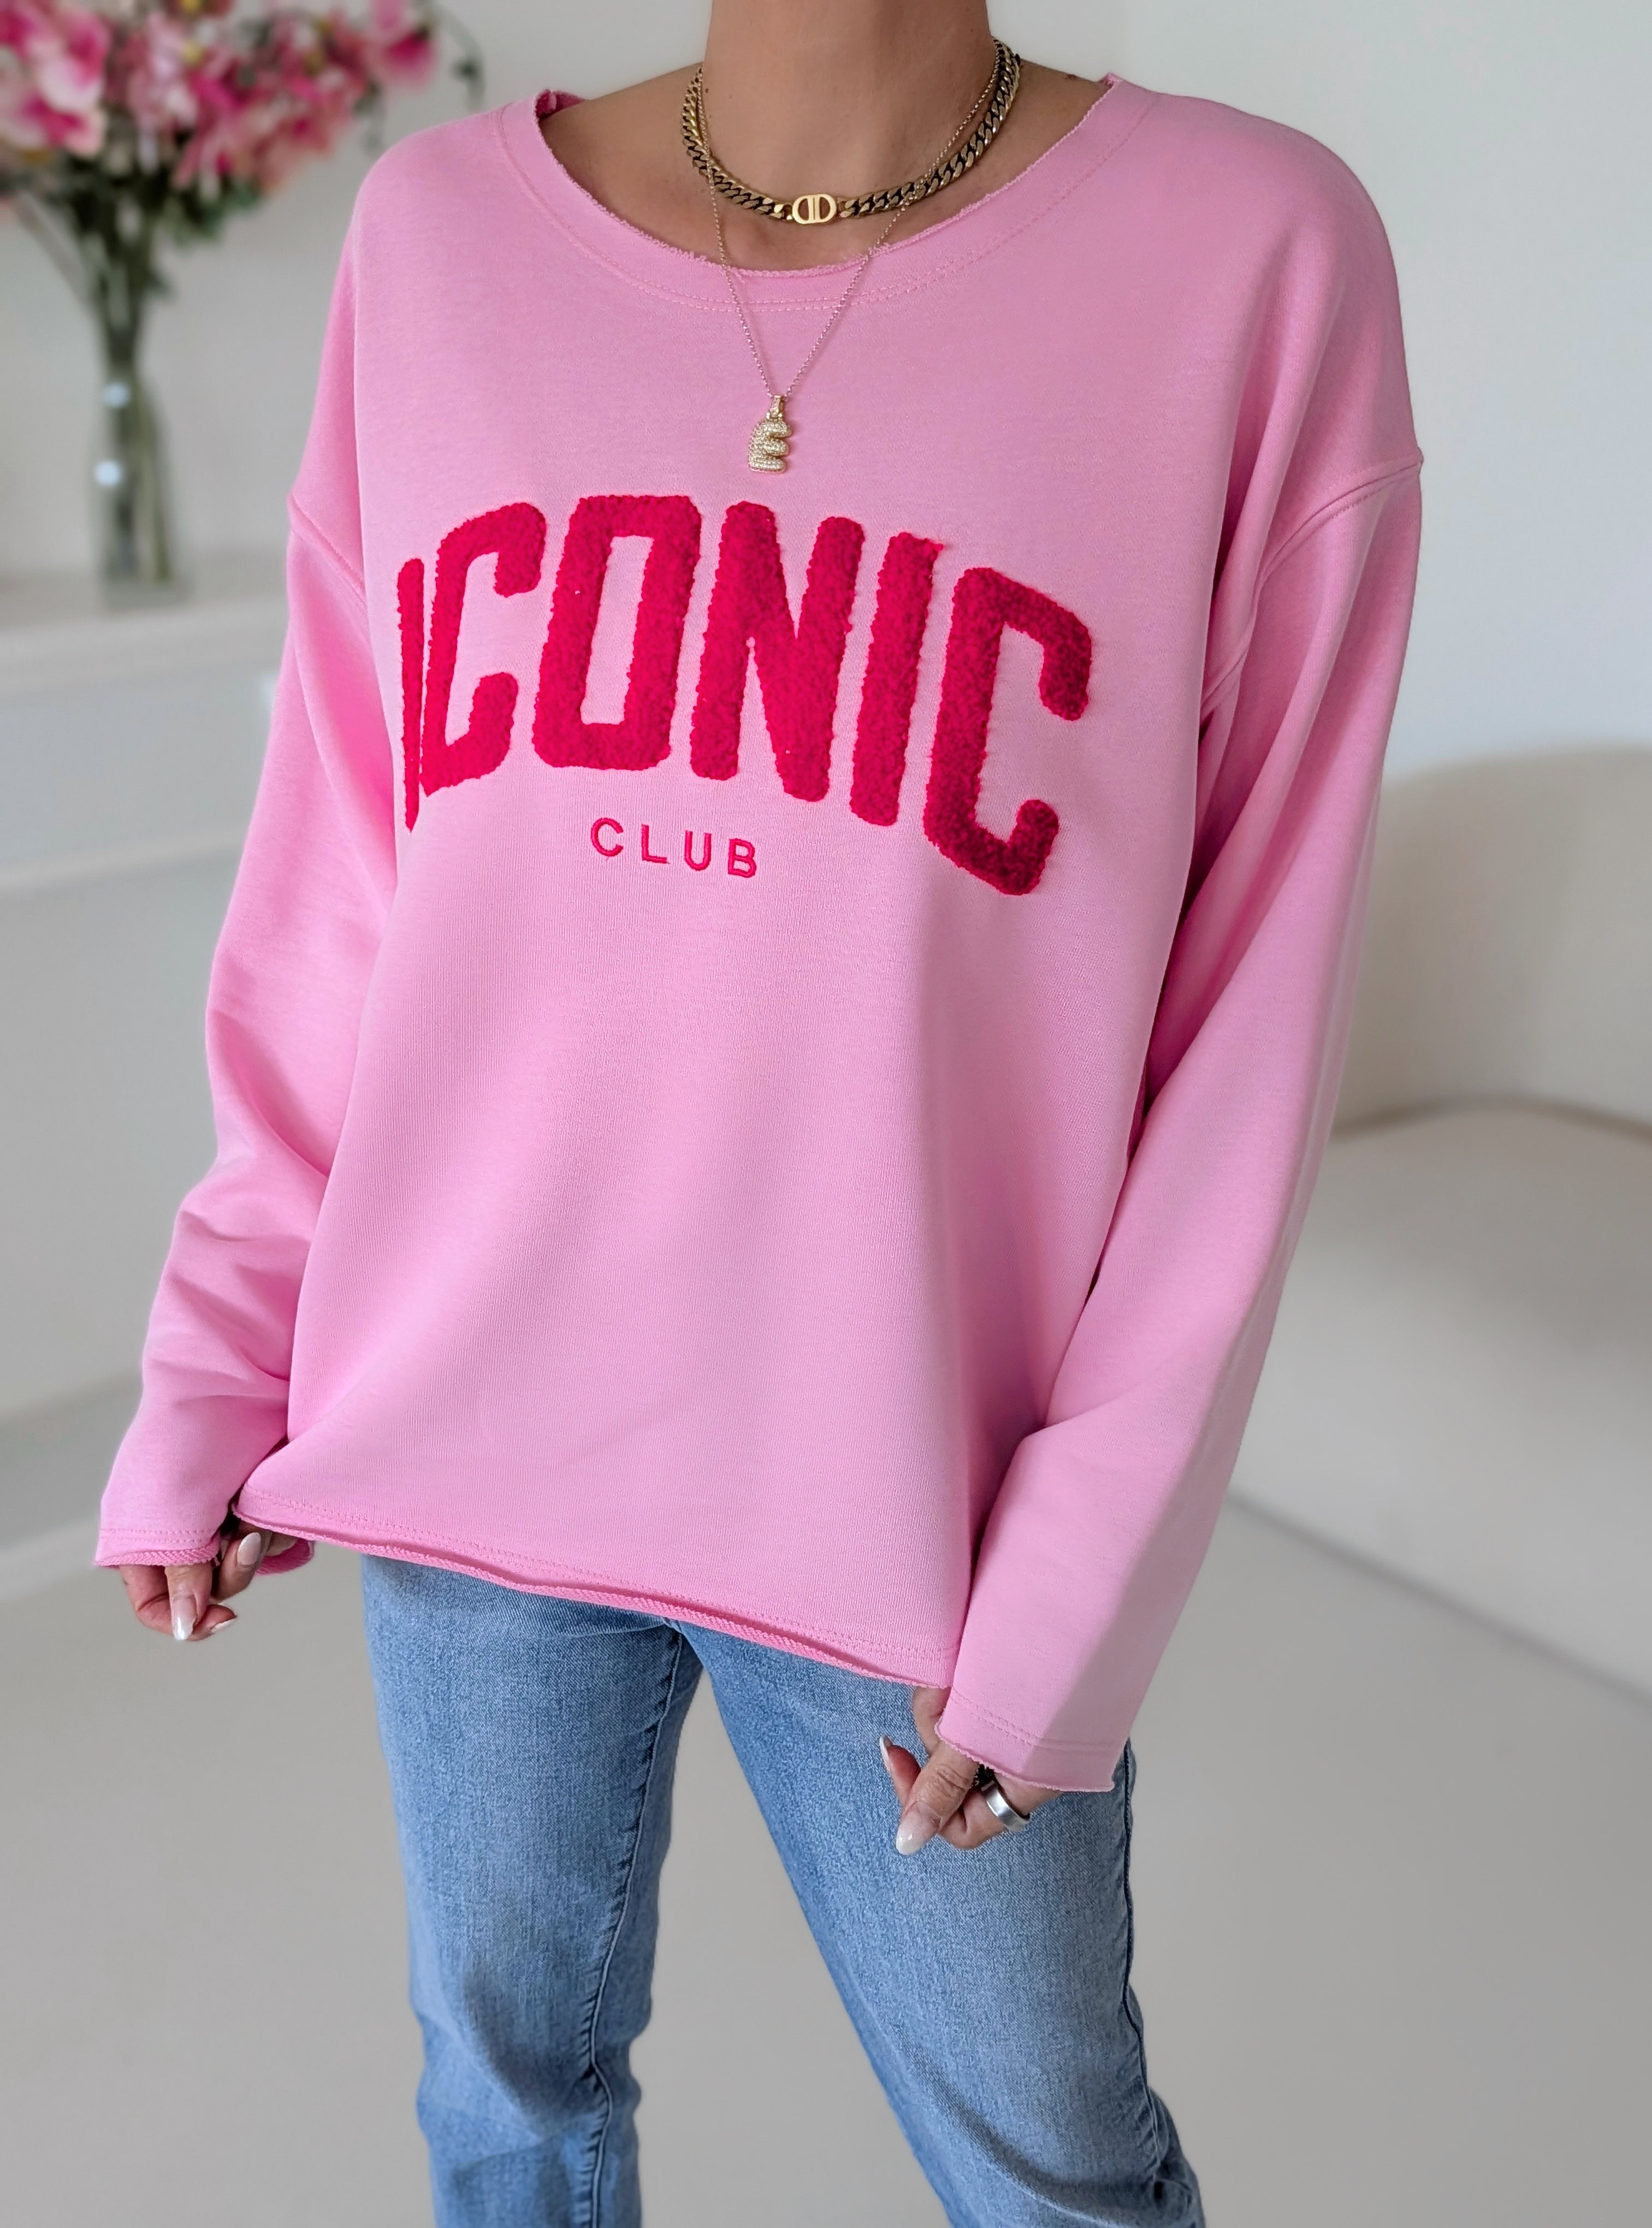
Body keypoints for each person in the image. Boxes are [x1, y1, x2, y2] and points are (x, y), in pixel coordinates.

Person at [96, 3, 1422, 2220]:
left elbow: (1244, 1030)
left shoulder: (1253, 257)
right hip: (466, 1429)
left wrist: (1075, 1587)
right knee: (505, 2106)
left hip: (914, 1495)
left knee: (1057, 2182)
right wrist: (225, 1349)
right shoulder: (435, 241)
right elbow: (344, 870)